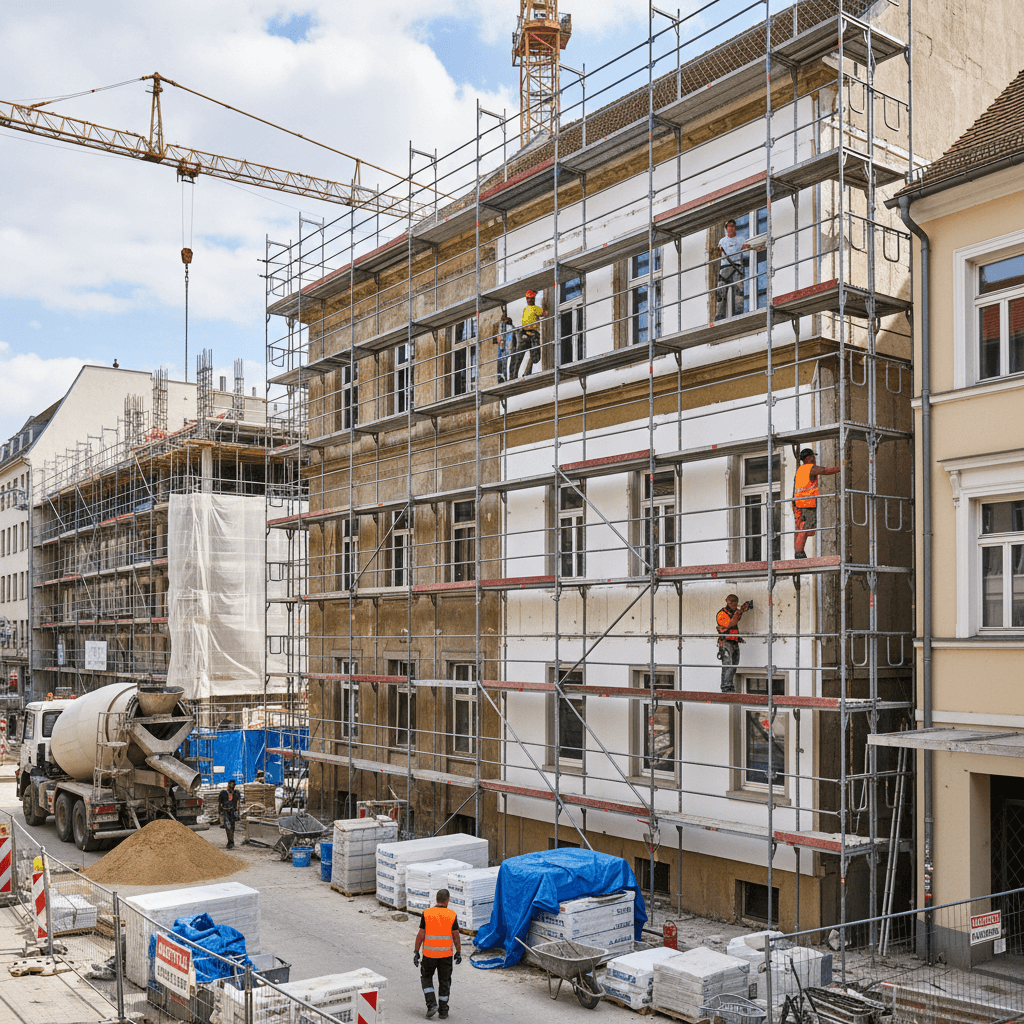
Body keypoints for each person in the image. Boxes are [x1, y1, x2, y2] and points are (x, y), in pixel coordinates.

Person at [413, 888, 462, 1019]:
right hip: (446, 956)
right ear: (447, 900)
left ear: (436, 899)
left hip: (429, 955)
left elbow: (421, 934)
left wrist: (416, 951)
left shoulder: (427, 913)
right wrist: (458, 952)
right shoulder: (452, 915)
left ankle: (431, 1005)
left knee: (426, 978)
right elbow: (456, 935)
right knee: (444, 981)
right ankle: (443, 1010)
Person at [793, 448, 840, 558]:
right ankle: (799, 552)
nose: (814, 459)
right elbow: (825, 470)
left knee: (803, 527)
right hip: (808, 503)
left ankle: (799, 551)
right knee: (806, 527)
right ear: (809, 458)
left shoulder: (800, 469)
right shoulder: (810, 468)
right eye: (813, 457)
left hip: (800, 503)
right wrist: (841, 467)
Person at [716, 593, 752, 693]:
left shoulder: (735, 612)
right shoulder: (722, 614)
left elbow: (735, 623)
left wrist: (743, 610)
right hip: (726, 643)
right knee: (728, 665)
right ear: (727, 601)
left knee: (734, 665)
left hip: (734, 641)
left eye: (735, 601)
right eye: (731, 601)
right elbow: (732, 623)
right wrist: (741, 611)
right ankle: (725, 687)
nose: (733, 603)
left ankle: (730, 686)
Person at [715, 219, 748, 320]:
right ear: (726, 228)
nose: (730, 228)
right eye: (728, 226)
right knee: (720, 293)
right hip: (724, 268)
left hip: (737, 267)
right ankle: (719, 315)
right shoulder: (722, 241)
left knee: (738, 292)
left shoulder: (741, 239)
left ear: (735, 228)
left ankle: (739, 313)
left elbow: (747, 251)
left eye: (732, 226)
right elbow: (718, 254)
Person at [509, 288, 545, 379]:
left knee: (531, 356)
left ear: (533, 299)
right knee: (523, 355)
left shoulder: (535, 308)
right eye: (527, 299)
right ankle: (516, 375)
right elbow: (543, 313)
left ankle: (526, 373)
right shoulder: (527, 309)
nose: (529, 300)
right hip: (527, 333)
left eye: (530, 298)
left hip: (532, 334)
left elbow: (542, 313)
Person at [218, 778, 242, 850]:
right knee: (227, 827)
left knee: (232, 827)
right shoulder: (223, 793)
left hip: (232, 812)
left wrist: (238, 812)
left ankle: (231, 841)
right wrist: (220, 812)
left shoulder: (236, 793)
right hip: (225, 812)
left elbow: (238, 803)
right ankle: (230, 841)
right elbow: (220, 803)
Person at [494, 314, 514, 383]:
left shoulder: (508, 328)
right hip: (505, 349)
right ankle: (503, 377)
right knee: (504, 363)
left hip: (505, 349)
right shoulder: (509, 328)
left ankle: (502, 378)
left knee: (503, 363)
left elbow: (502, 338)